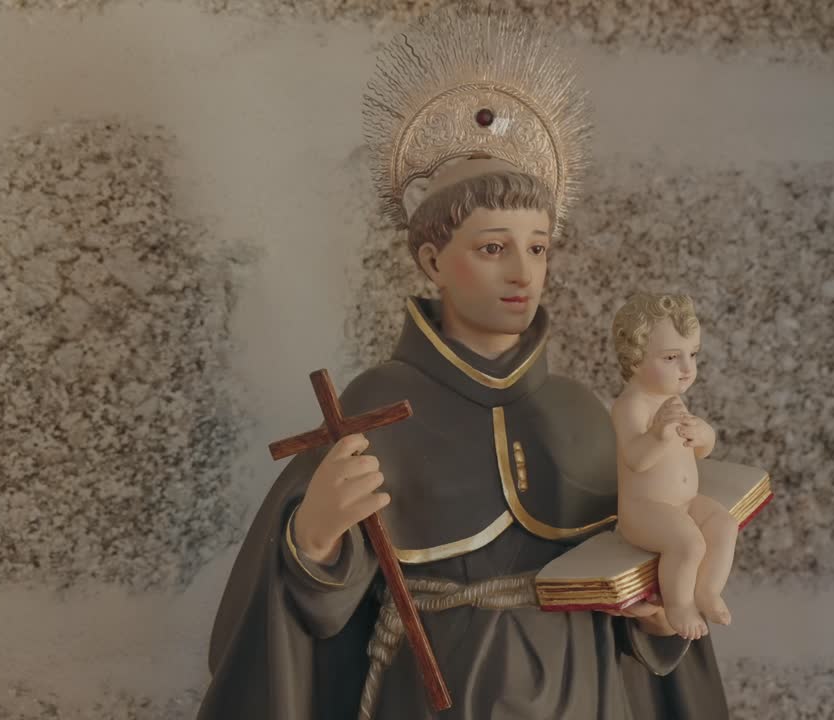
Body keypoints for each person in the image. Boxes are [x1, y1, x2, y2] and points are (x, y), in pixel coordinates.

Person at [195, 11, 730, 719]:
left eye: (537, 248)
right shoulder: (379, 403)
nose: (521, 273)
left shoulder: (578, 411)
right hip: (440, 690)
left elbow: (636, 595)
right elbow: (302, 615)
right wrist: (315, 539)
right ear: (431, 261)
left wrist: (661, 615)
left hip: (584, 691)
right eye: (491, 247)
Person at [611, 293, 738, 641]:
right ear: (635, 360)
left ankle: (707, 591)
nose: (687, 368)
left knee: (724, 524)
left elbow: (699, 452)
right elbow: (637, 459)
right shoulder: (631, 406)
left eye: (693, 354)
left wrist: (704, 435)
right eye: (671, 357)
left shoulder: (671, 398)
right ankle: (679, 603)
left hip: (682, 503)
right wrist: (658, 434)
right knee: (689, 544)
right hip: (645, 511)